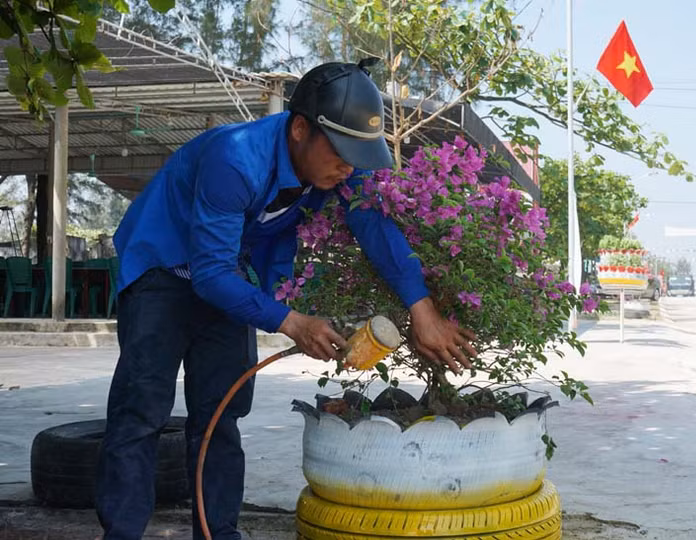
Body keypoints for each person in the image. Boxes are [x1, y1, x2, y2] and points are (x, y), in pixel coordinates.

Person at [95, 58, 478, 540]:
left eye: (358, 154)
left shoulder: (339, 166)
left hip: (225, 275)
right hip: (163, 270)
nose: (349, 166)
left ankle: (218, 534)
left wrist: (422, 310)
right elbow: (210, 274)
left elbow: (373, 225)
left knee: (220, 415)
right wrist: (291, 321)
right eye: (341, 152)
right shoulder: (234, 158)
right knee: (140, 411)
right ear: (300, 129)